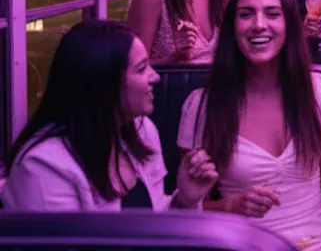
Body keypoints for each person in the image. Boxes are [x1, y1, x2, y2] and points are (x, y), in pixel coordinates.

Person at [178, 0, 321, 250]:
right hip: (244, 243)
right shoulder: (201, 106)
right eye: (246, 15)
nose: (259, 24)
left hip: (319, 241)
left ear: (289, 25)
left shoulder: (319, 91)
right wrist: (231, 206)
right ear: (232, 28)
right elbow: (185, 208)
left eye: (273, 14)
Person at [2, 20, 217, 210]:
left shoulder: (142, 131)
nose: (155, 77)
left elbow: (154, 226)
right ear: (105, 83)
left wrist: (184, 201)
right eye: (142, 69)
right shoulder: (45, 167)